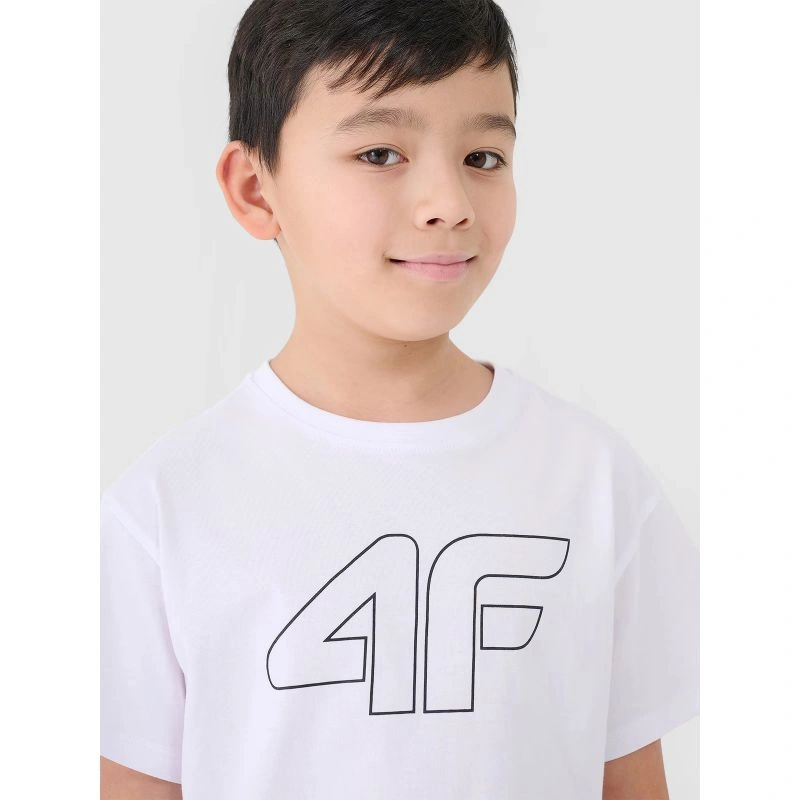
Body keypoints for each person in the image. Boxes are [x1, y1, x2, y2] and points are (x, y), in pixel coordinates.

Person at [99, 1, 700, 798]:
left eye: (483, 156)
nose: (448, 200)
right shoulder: (163, 512)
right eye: (380, 152)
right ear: (255, 190)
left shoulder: (594, 481)